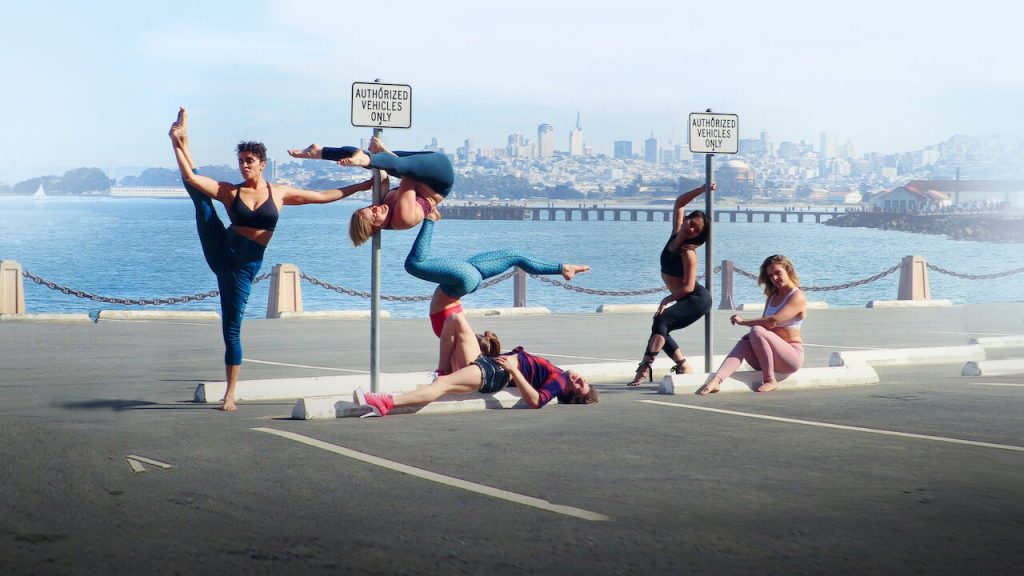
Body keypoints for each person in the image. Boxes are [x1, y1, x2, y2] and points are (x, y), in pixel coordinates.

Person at [168, 108, 363, 411]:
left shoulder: (280, 193)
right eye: (241, 161)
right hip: (221, 251)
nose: (245, 166)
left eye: (250, 161)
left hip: (245, 267)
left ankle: (231, 391)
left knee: (233, 328)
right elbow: (192, 176)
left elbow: (324, 196)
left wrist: (363, 186)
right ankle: (181, 137)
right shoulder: (230, 192)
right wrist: (177, 143)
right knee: (198, 194)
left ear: (262, 164)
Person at [405, 213, 590, 338]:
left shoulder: (454, 336)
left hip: (466, 279)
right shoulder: (454, 335)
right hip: (465, 279)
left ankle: (563, 268)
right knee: (414, 265)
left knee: (515, 255)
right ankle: (564, 268)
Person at [353, 343, 599, 417]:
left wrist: (514, 370)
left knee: (442, 385)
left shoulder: (557, 382)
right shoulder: (558, 375)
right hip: (494, 367)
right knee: (455, 321)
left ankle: (385, 403)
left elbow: (536, 401)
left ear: (569, 392)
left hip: (496, 372)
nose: (578, 379)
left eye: (578, 386)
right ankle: (440, 371)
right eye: (582, 380)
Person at [287, 137, 454, 246]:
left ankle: (320, 152)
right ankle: (367, 158)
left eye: (370, 208)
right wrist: (380, 156)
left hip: (421, 168)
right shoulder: (402, 218)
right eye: (374, 215)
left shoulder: (382, 208)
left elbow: (382, 176)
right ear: (376, 228)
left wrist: (370, 175)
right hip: (439, 176)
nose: (376, 208)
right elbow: (408, 177)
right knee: (376, 160)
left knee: (366, 157)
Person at [628, 183, 714, 386]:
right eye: (691, 222)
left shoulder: (689, 253)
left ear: (697, 236)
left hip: (696, 299)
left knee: (661, 322)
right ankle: (682, 365)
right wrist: (703, 189)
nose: (690, 227)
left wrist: (666, 299)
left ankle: (644, 368)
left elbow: (689, 287)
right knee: (660, 326)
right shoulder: (675, 233)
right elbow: (679, 203)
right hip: (684, 297)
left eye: (695, 229)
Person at [698, 254, 807, 394]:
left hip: (790, 359)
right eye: (771, 275)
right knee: (745, 341)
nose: (774, 278)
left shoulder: (797, 296)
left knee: (755, 330)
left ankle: (770, 380)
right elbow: (763, 329)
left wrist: (743, 322)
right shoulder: (772, 297)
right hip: (768, 357)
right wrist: (750, 335)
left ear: (788, 270)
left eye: (778, 273)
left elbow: (772, 322)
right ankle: (716, 380)